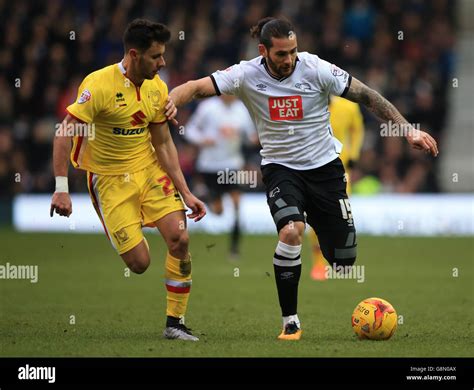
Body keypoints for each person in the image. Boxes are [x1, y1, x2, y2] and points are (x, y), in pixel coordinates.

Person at [169, 17, 438, 340]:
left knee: (343, 260)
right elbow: (197, 87)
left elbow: (367, 95)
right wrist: (169, 101)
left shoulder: (315, 68)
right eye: (281, 54)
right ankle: (290, 322)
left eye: (293, 52)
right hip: (281, 169)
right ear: (263, 51)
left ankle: (324, 233)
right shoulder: (245, 73)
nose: (289, 60)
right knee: (291, 231)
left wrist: (407, 129)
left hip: (325, 170)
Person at [50, 19, 206, 341]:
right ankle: (129, 228)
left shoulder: (157, 87)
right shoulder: (99, 86)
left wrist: (186, 192)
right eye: (156, 57)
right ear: (134, 55)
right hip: (109, 180)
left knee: (180, 239)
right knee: (139, 263)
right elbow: (64, 133)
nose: (162, 63)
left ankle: (175, 324)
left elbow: (163, 143)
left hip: (148, 170)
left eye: (163, 55)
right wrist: (61, 189)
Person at [183, 94, 258, 259]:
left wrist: (254, 139)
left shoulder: (241, 109)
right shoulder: (207, 107)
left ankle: (234, 249)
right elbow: (190, 130)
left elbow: (249, 136)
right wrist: (202, 140)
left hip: (233, 165)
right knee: (218, 212)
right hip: (210, 166)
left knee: (237, 205)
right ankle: (207, 197)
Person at [309, 95, 365, 280]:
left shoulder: (348, 107)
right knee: (313, 218)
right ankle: (319, 263)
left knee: (340, 216)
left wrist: (354, 155)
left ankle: (340, 260)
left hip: (340, 171)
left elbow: (357, 130)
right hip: (312, 170)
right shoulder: (306, 106)